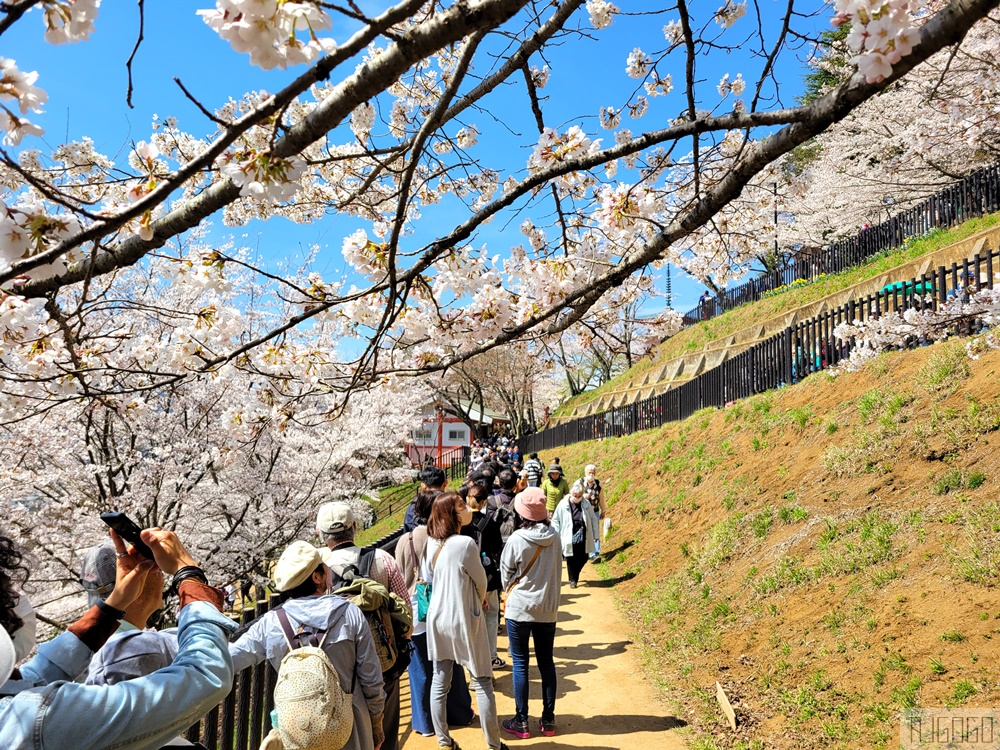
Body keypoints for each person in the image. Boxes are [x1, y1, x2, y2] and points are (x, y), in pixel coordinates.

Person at [1, 527, 235, 750]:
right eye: (7, 594)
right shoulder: (36, 722)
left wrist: (113, 606)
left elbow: (35, 676)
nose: (16, 598)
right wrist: (188, 574)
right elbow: (204, 676)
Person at [231, 541, 385, 750]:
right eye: (324, 565)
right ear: (317, 577)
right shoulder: (349, 613)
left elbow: (231, 659)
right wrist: (376, 723)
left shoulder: (270, 623)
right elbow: (371, 677)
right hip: (350, 727)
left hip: (298, 732)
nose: (329, 568)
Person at [317, 502, 411, 750]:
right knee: (387, 734)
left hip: (339, 672)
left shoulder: (317, 570)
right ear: (355, 527)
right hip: (383, 665)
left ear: (320, 534)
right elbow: (406, 615)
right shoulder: (383, 559)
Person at [423, 492, 508, 750]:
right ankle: (494, 745)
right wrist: (479, 599)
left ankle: (444, 741)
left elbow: (429, 576)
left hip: (437, 618)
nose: (465, 508)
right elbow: (481, 582)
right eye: (460, 505)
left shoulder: (431, 542)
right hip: (463, 616)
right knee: (482, 681)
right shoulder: (466, 544)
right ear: (452, 514)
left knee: (440, 682)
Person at [394, 490, 475, 738]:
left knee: (420, 671)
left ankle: (424, 723)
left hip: (415, 613)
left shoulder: (405, 540)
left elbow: (397, 576)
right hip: (441, 611)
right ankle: (460, 713)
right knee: (449, 666)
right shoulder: (439, 538)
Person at [499, 488, 562, 739]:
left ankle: (521, 721)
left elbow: (506, 573)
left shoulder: (517, 538)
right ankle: (548, 720)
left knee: (521, 664)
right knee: (547, 662)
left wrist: (510, 589)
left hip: (520, 608)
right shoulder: (554, 536)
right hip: (547, 608)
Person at [77, 542, 178, 686]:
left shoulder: (83, 651)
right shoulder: (139, 650)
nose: (162, 576)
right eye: (153, 567)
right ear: (135, 589)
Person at [461, 479, 506, 669]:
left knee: (469, 618)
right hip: (487, 575)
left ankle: (470, 660)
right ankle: (491, 656)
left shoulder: (460, 524)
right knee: (492, 613)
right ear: (484, 502)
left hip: (465, 576)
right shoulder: (489, 523)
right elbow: (498, 547)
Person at [551, 482, 600, 588]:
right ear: (570, 494)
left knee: (583, 557)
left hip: (583, 533)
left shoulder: (586, 503)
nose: (577, 498)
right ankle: (573, 579)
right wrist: (556, 534)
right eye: (575, 496)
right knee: (570, 557)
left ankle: (575, 574)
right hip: (568, 534)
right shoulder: (563, 504)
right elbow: (555, 520)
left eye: (579, 496)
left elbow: (593, 519)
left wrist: (596, 535)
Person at [405, 465, 448, 532]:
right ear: (445, 483)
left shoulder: (414, 507)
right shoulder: (452, 502)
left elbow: (409, 531)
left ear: (423, 486)